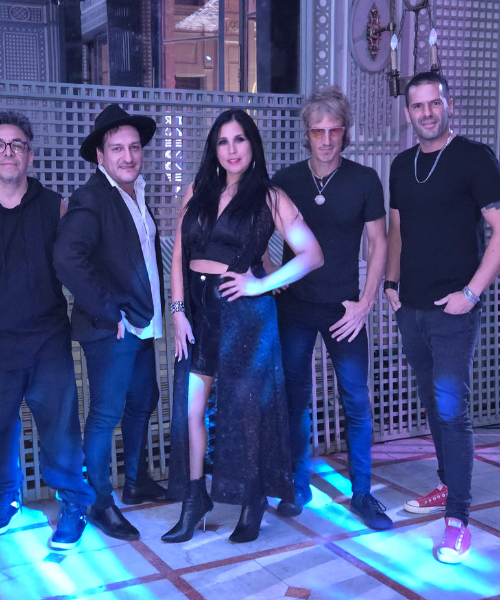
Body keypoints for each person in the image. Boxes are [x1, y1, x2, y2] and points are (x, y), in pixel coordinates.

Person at [163, 108, 323, 544]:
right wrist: (177, 310)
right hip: (197, 311)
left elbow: (312, 255)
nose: (231, 149)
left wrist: (260, 284)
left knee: (247, 412)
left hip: (244, 314)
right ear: (213, 148)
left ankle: (254, 500)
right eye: (223, 141)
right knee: (191, 410)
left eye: (239, 139)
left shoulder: (270, 196)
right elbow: (179, 255)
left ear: (253, 144)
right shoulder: (197, 190)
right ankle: (195, 500)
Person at [0, 111, 95, 550]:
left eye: (17, 144)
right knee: (0, 429)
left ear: (29, 155)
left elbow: (76, 267)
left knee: (60, 429)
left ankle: (73, 502)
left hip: (48, 338)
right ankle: (5, 495)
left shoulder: (54, 206)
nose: (8, 152)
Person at [385, 71, 500, 564]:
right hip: (410, 309)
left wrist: (471, 294)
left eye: (435, 103)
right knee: (434, 405)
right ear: (408, 112)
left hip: (455, 310)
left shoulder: (475, 158)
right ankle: (447, 483)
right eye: (418, 106)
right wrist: (390, 285)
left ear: (448, 105)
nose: (427, 112)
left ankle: (458, 520)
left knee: (453, 410)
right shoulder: (401, 165)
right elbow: (397, 231)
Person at [268, 86, 391, 530]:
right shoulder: (285, 179)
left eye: (333, 130)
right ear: (306, 133)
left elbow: (379, 243)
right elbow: (257, 231)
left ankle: (362, 494)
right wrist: (271, 274)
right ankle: (297, 485)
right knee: (295, 398)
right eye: (317, 131)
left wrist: (366, 303)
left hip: (345, 310)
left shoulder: (364, 180)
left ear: (345, 132)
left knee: (356, 400)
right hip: (295, 308)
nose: (325, 139)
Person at [54, 104, 169, 541]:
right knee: (105, 414)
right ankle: (100, 503)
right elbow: (68, 259)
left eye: (134, 147)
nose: (128, 156)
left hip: (141, 323)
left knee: (143, 400)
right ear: (100, 156)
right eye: (117, 148)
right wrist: (107, 309)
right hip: (112, 328)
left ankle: (135, 481)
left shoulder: (136, 192)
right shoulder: (91, 197)